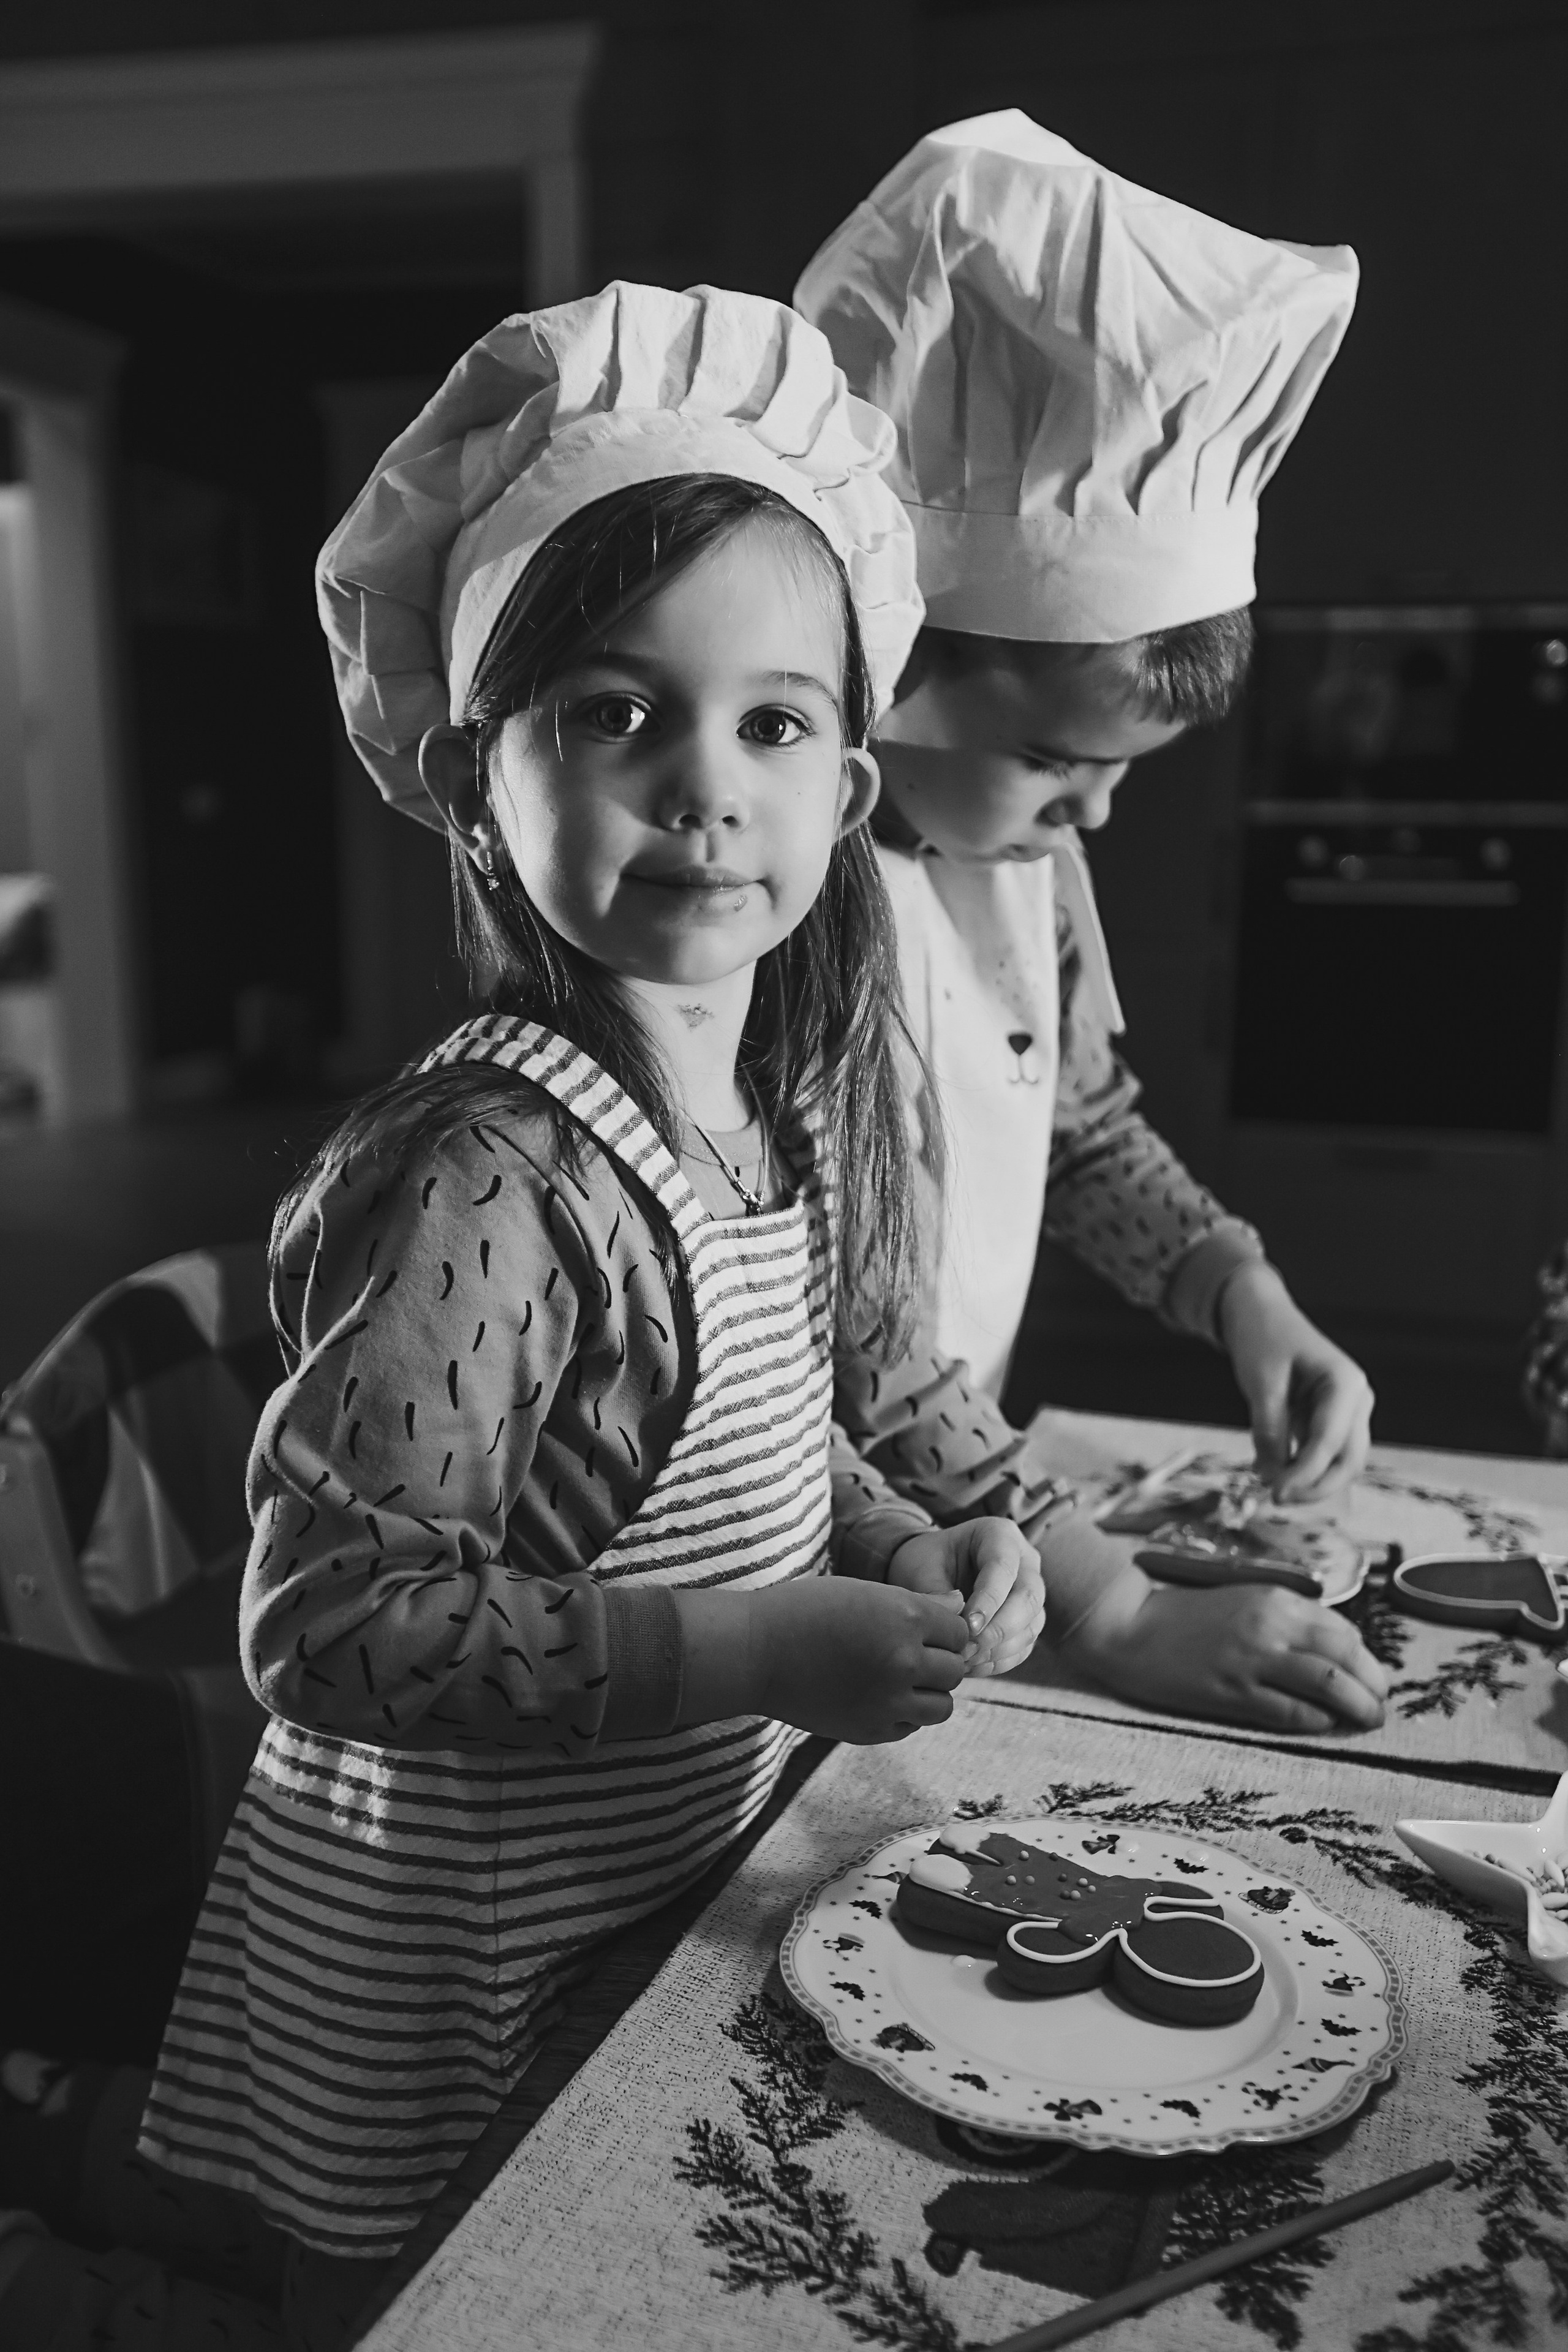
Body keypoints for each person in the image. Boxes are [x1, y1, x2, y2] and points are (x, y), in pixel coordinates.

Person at [104, 282, 1044, 2344]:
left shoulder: (755, 1107)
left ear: (854, 784)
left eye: (773, 721)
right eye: (616, 714)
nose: (704, 786)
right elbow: (332, 1625)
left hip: (632, 1891)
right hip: (435, 1958)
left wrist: (901, 1545)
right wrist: (760, 1647)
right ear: (469, 773)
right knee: (450, 2307)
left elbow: (757, 1445)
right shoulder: (486, 1178)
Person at [796, 113, 1390, 1737]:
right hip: (814, 1559)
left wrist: (1237, 1291)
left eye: (1122, 775)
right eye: (1060, 763)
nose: (1099, 819)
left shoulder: (1024, 857)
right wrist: (1113, 1609)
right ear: (895, 673)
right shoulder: (789, 927)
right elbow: (847, 1341)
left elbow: (1083, 1130)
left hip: (957, 1512)